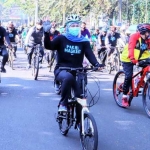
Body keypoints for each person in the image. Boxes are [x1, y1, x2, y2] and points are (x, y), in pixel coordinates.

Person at [44, 14, 104, 114]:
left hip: (78, 70)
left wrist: (96, 64)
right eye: (72, 26)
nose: (75, 28)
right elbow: (49, 46)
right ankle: (63, 103)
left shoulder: (84, 41)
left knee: (81, 96)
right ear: (67, 27)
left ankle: (81, 123)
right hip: (62, 69)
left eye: (77, 26)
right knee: (68, 77)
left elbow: (90, 55)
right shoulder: (61, 38)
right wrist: (46, 33)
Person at [121, 23, 150, 107]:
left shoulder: (148, 39)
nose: (149, 34)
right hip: (128, 58)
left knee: (147, 67)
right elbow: (131, 48)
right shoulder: (134, 36)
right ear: (144, 32)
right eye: (148, 32)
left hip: (140, 57)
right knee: (129, 76)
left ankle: (142, 80)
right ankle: (124, 96)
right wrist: (133, 59)